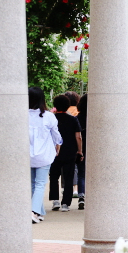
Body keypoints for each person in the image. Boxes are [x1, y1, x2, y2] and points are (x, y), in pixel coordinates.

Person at [29, 87, 62, 223]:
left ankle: (39, 212)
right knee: (40, 184)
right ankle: (33, 212)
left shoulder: (21, 114)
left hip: (27, 154)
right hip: (44, 155)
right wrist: (58, 144)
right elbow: (56, 135)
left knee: (32, 184)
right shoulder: (49, 116)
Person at [49, 94, 83, 212]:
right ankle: (65, 204)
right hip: (70, 151)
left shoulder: (51, 118)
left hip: (54, 152)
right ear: (68, 106)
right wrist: (80, 151)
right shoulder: (73, 120)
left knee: (54, 176)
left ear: (55, 106)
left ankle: (55, 201)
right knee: (68, 177)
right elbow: (78, 136)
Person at [75, 93, 87, 210]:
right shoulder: (97, 118)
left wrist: (79, 150)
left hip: (82, 148)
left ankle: (81, 196)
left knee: (81, 173)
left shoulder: (77, 118)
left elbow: (77, 136)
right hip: (95, 149)